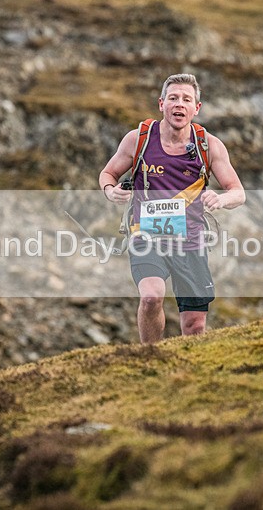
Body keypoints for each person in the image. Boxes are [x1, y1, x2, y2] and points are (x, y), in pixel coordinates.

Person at [99, 73, 245, 344]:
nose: (179, 104)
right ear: (161, 104)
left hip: (190, 241)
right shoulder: (138, 139)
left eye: (187, 99)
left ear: (196, 108)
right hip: (146, 235)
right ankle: (150, 358)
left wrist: (220, 199)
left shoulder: (209, 145)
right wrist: (111, 191)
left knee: (194, 325)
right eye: (173, 98)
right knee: (152, 296)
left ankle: (188, 376)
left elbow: (238, 192)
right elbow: (107, 173)